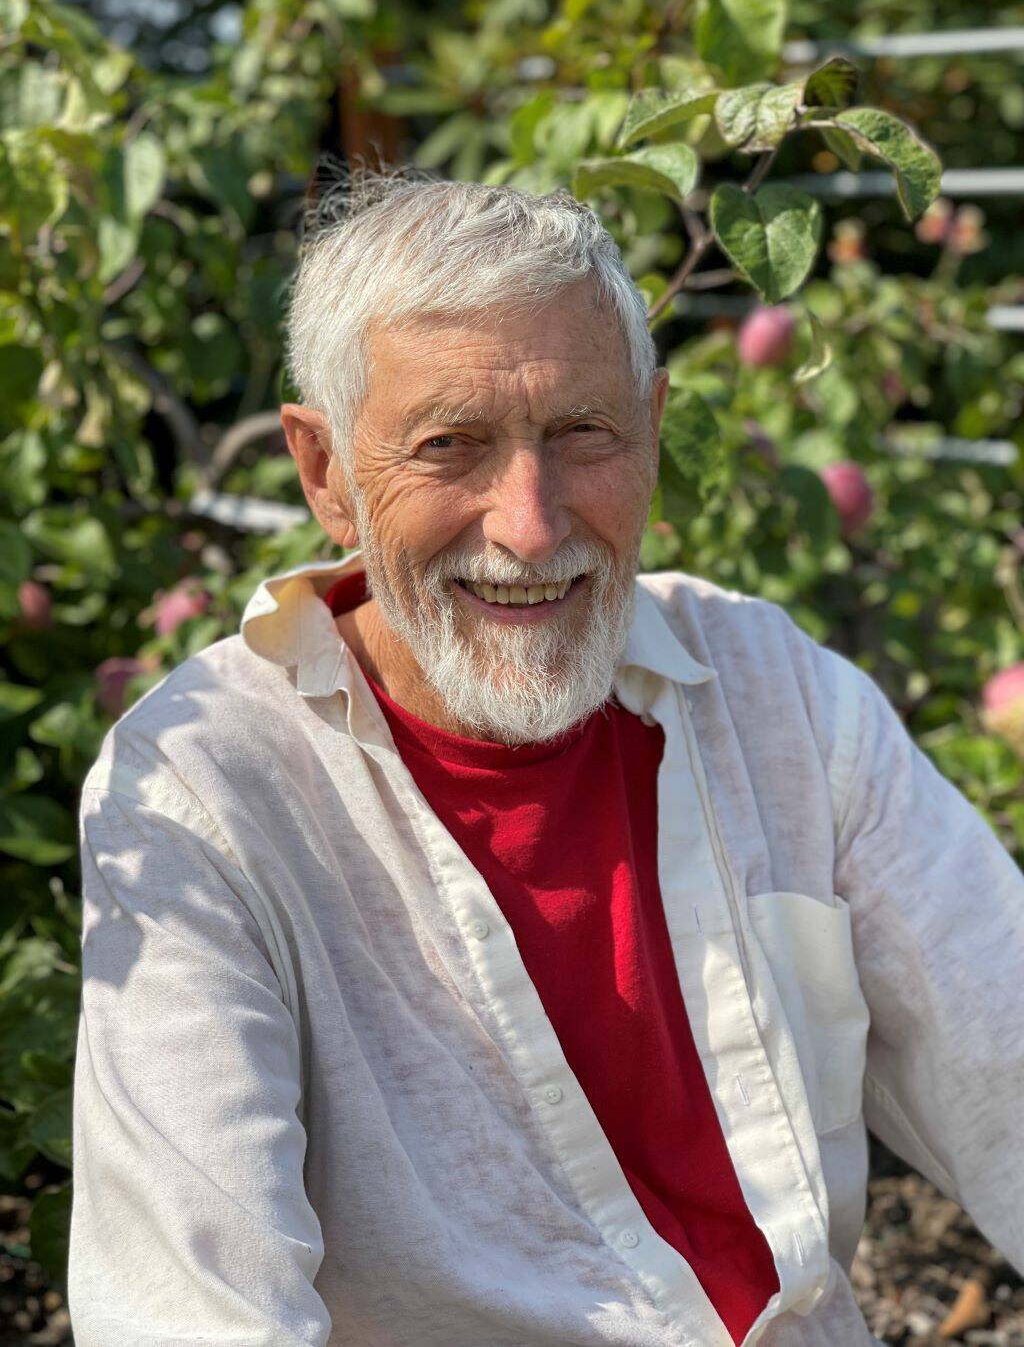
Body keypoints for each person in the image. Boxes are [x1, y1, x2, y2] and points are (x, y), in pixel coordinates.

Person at [68, 167, 1024, 1347]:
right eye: (450, 445)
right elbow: (194, 1310)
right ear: (325, 474)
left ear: (655, 430)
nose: (529, 521)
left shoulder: (779, 698)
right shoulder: (206, 788)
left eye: (584, 433)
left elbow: (1011, 1057)